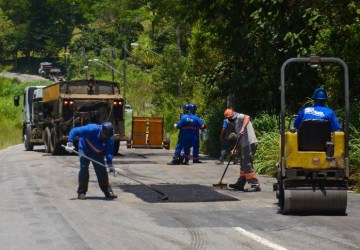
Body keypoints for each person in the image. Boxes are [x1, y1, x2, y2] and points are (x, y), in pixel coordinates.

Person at [65, 122, 118, 200]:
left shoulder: (110, 138)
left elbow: (109, 152)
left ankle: (107, 191)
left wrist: (110, 164)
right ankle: (81, 192)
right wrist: (70, 142)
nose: (105, 137)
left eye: (108, 136)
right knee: (84, 169)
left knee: (102, 170)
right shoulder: (92, 129)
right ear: (101, 131)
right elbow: (75, 130)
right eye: (104, 135)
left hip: (97, 153)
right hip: (84, 149)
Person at [225, 109, 261, 192]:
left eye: (229, 118)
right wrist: (235, 148)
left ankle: (255, 185)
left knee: (246, 163)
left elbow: (247, 117)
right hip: (245, 144)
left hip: (249, 143)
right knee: (243, 164)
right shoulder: (236, 123)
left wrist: (243, 128)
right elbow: (239, 138)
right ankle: (240, 184)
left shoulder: (240, 116)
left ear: (232, 116)